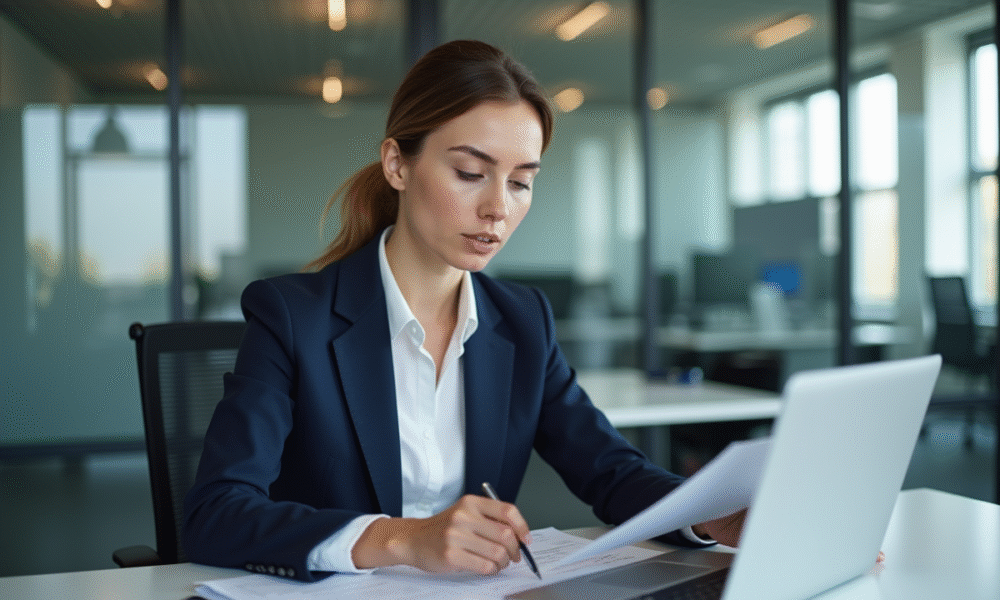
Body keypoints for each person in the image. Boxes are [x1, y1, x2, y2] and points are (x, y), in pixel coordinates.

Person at [182, 39, 744, 583]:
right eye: (471, 174)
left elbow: (611, 470)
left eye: (522, 182)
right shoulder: (292, 316)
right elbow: (217, 512)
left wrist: (707, 515)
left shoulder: (523, 320)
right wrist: (404, 538)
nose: (498, 207)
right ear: (397, 165)